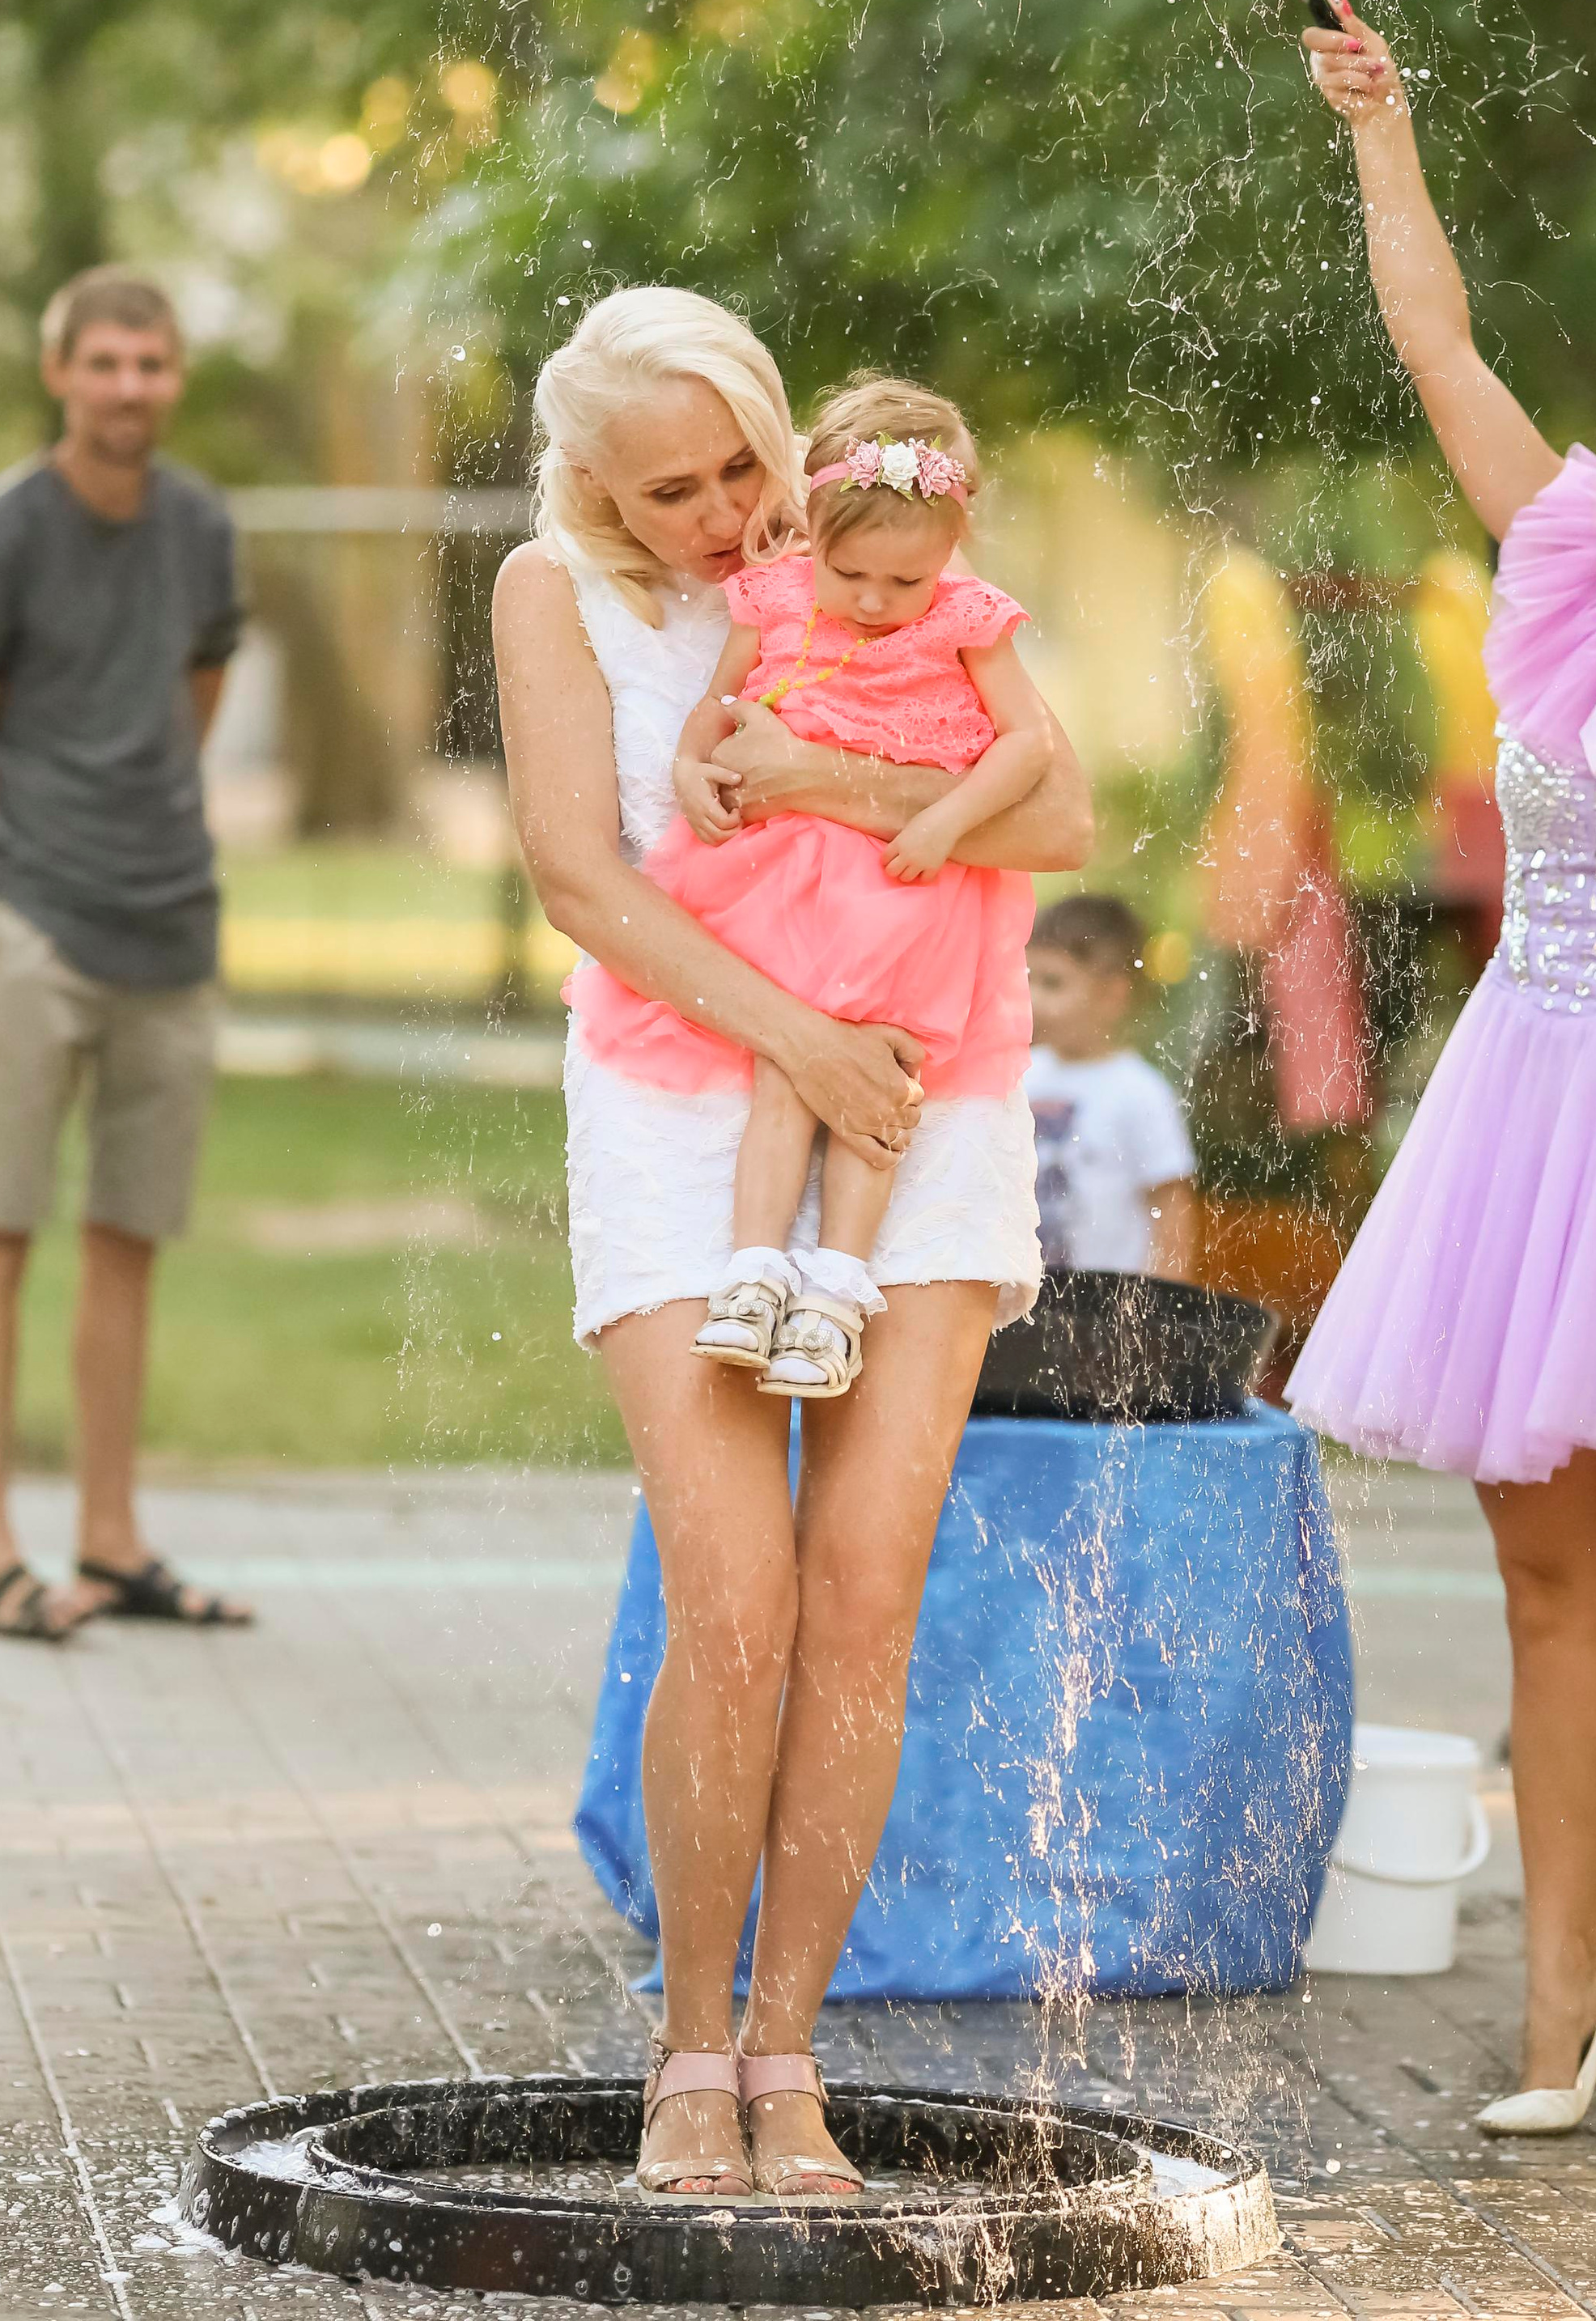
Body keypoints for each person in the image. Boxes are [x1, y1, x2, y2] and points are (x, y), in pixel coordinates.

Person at [494, 288, 1093, 2200]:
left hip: (926, 1092)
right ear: (591, 483)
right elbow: (578, 873)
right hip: (695, 1106)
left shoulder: (879, 555)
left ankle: (786, 2055)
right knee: (731, 1590)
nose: (720, 509)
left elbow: (1055, 808)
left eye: (740, 459)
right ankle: (686, 2047)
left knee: (859, 1592)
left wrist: (831, 787)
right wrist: (797, 1039)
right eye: (667, 487)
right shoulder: (552, 593)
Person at [1288, 9, 1596, 2135]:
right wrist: (1389, 130)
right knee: (1556, 1598)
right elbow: (1440, 344)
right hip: (1539, 1129)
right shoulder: (1556, 581)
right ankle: (1565, 2015)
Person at [569, 376, 1054, 1400]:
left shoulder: (963, 618)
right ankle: (753, 1273)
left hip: (904, 891)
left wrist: (944, 820)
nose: (875, 604)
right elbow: (716, 703)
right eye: (852, 575)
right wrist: (693, 770)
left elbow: (1030, 751)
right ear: (815, 531)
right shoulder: (780, 595)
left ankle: (835, 1288)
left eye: (902, 584)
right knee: (789, 1074)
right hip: (784, 887)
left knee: (880, 1075)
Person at [0, 266, 254, 1644]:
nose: (128, 386)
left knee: (130, 1241)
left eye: (151, 364)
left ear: (175, 378)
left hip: (173, 928)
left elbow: (194, 703)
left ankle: (110, 1544)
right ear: (59, 373)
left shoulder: (203, 527)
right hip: (35, 932)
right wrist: (2, 894)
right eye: (104, 362)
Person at [1025, 896, 1197, 1279]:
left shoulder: (1139, 1091)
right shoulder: (1022, 1074)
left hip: (1106, 1316)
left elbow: (1172, 1211)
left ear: (1111, 995)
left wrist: (1162, 1311)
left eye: (1053, 983)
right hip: (1027, 1304)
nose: (1033, 999)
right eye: (1028, 979)